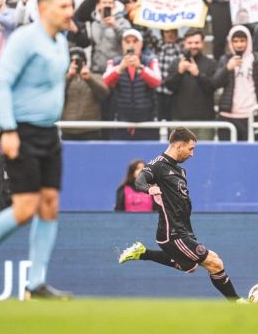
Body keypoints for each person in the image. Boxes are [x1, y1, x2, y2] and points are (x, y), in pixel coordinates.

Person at [0, 0, 76, 300]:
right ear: (43, 9)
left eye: (71, 6)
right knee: (26, 209)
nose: (70, 12)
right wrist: (8, 130)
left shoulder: (62, 42)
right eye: (63, 6)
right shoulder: (25, 39)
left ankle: (34, 284)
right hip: (21, 132)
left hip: (49, 132)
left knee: (50, 206)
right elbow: (1, 82)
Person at [118, 127, 245, 302]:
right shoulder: (157, 165)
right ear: (179, 146)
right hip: (172, 232)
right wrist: (150, 188)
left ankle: (143, 253)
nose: (192, 154)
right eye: (190, 149)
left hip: (184, 229)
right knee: (215, 262)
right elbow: (139, 181)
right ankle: (238, 302)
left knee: (190, 265)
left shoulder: (179, 170)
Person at [102, 28, 162, 140]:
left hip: (146, 121)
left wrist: (141, 67)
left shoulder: (150, 61)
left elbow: (156, 81)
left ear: (141, 44)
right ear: (122, 44)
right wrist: (120, 68)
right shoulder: (114, 62)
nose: (131, 45)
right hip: (121, 121)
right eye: (127, 42)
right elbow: (106, 82)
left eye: (135, 41)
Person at [212, 25, 258, 142]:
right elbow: (215, 83)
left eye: (242, 41)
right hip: (228, 116)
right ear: (230, 42)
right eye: (235, 41)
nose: (239, 44)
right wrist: (227, 68)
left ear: (248, 41)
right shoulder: (225, 59)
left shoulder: (257, 60)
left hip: (251, 115)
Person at [166, 28, 217, 140]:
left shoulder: (211, 63)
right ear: (184, 43)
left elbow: (212, 87)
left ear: (203, 43)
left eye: (196, 42)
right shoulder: (176, 63)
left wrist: (198, 74)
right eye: (190, 43)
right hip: (179, 121)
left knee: (204, 155)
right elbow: (169, 87)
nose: (193, 46)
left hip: (204, 122)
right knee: (177, 157)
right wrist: (179, 72)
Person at [61, 47, 108, 140]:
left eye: (78, 61)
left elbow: (104, 94)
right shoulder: (62, 79)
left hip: (90, 130)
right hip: (68, 130)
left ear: (84, 62)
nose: (75, 64)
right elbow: (56, 96)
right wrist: (68, 78)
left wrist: (89, 79)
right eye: (72, 61)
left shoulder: (96, 77)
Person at [88, 0, 131, 75]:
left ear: (114, 5)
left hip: (117, 69)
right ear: (98, 5)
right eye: (104, 3)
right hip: (97, 70)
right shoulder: (94, 24)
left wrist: (115, 26)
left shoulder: (123, 22)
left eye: (110, 3)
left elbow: (128, 41)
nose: (107, 5)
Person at [154, 29, 182, 121]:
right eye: (167, 32)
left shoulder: (181, 48)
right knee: (158, 121)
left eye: (173, 32)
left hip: (175, 92)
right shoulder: (157, 47)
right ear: (162, 34)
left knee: (173, 123)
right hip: (159, 91)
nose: (170, 34)